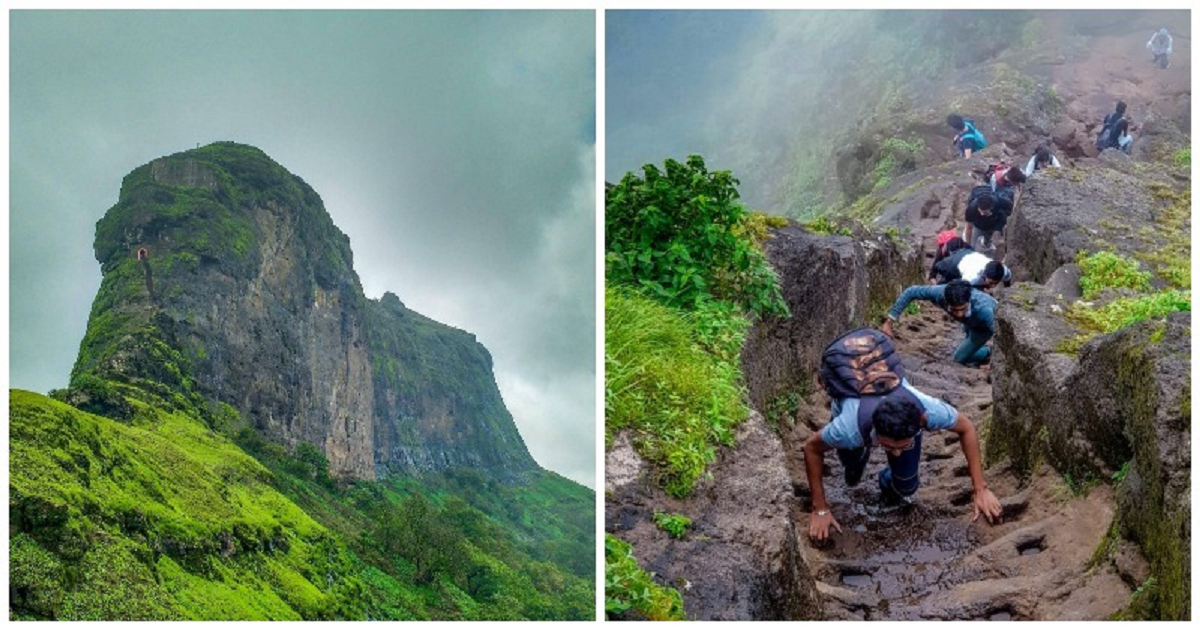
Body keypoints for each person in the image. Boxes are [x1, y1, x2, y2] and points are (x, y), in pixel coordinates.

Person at [805, 329, 1002, 541]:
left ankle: (885, 480)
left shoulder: (926, 410)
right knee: (851, 466)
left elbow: (967, 427)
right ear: (875, 431)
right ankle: (857, 458)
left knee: (907, 487)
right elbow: (812, 448)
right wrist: (820, 509)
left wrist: (980, 489)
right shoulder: (849, 428)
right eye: (889, 447)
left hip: (884, 402)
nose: (896, 453)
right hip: (852, 401)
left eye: (904, 445)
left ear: (920, 423)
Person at [881, 279, 996, 366]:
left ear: (969, 301)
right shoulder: (939, 293)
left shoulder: (985, 311)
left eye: (963, 309)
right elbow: (911, 292)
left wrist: (995, 364)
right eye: (954, 310)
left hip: (983, 327)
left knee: (958, 359)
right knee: (966, 335)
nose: (959, 314)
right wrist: (889, 321)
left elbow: (1003, 338)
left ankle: (987, 352)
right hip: (969, 322)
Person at [931, 249, 1012, 291]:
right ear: (984, 274)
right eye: (991, 283)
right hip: (955, 265)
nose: (993, 286)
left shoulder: (1004, 271)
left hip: (971, 255)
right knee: (942, 274)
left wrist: (1007, 291)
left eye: (996, 283)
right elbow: (961, 289)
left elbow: (1008, 279)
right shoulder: (972, 277)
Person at [963, 186, 1011, 253]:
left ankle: (986, 244)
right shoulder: (971, 209)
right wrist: (968, 244)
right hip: (978, 225)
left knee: (987, 238)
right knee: (973, 241)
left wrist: (998, 228)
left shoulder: (998, 202)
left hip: (992, 224)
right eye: (980, 210)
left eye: (985, 212)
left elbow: (1010, 208)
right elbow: (969, 228)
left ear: (991, 207)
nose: (982, 214)